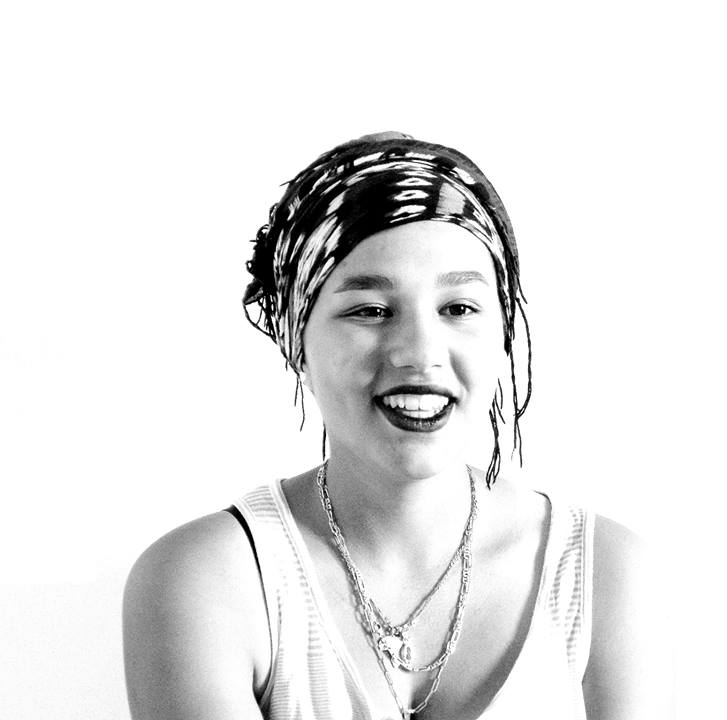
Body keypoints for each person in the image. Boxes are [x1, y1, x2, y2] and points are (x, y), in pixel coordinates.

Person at [123, 132, 655, 720]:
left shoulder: (605, 575)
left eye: (459, 308)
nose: (419, 352)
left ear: (503, 336)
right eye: (370, 311)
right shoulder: (211, 580)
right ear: (296, 341)